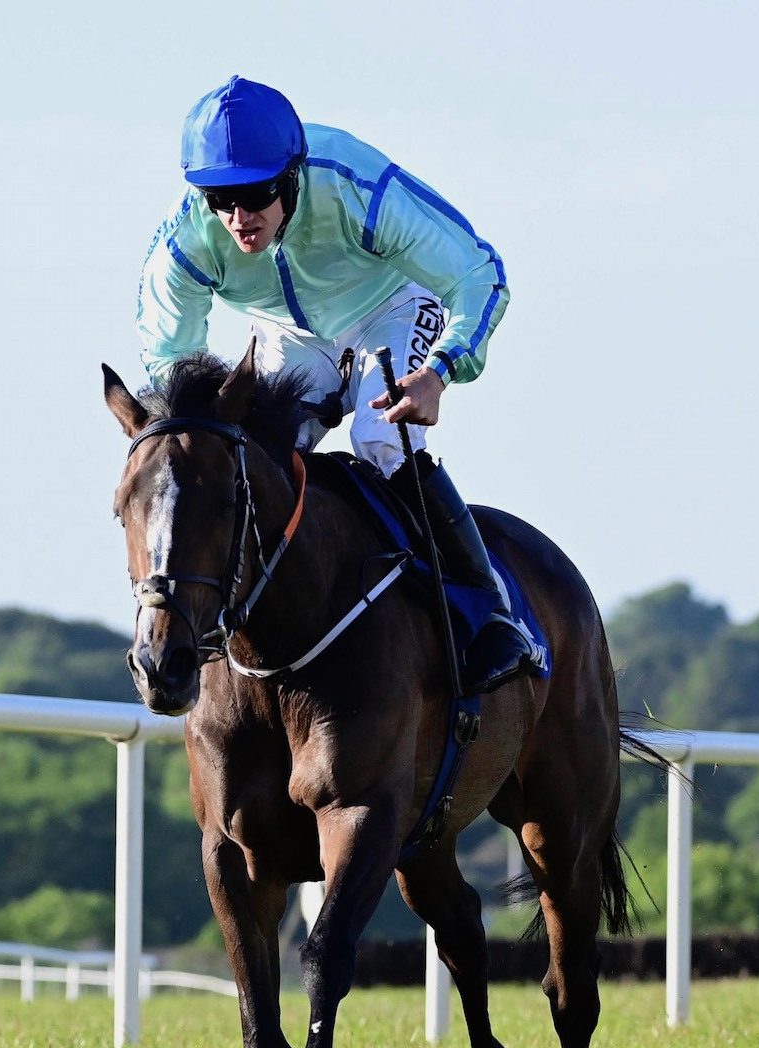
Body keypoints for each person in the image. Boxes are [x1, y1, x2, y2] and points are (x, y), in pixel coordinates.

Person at [136, 76, 532, 694]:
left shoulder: (352, 185)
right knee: (244, 461)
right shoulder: (186, 238)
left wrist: (441, 370)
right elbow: (170, 359)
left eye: (257, 194)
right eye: (220, 199)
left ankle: (490, 614)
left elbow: (479, 273)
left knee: (380, 437)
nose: (239, 218)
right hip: (288, 334)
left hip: (393, 307)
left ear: (293, 175)